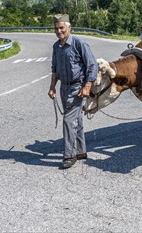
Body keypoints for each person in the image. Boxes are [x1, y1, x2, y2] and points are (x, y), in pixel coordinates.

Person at [48, 14, 98, 169]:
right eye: (56, 28)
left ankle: (70, 155)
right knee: (77, 119)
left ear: (69, 28)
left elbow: (92, 65)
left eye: (61, 28)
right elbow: (55, 69)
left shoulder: (79, 43)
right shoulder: (56, 46)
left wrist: (87, 86)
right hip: (64, 87)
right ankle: (81, 151)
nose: (59, 31)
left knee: (68, 120)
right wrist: (52, 87)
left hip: (78, 88)